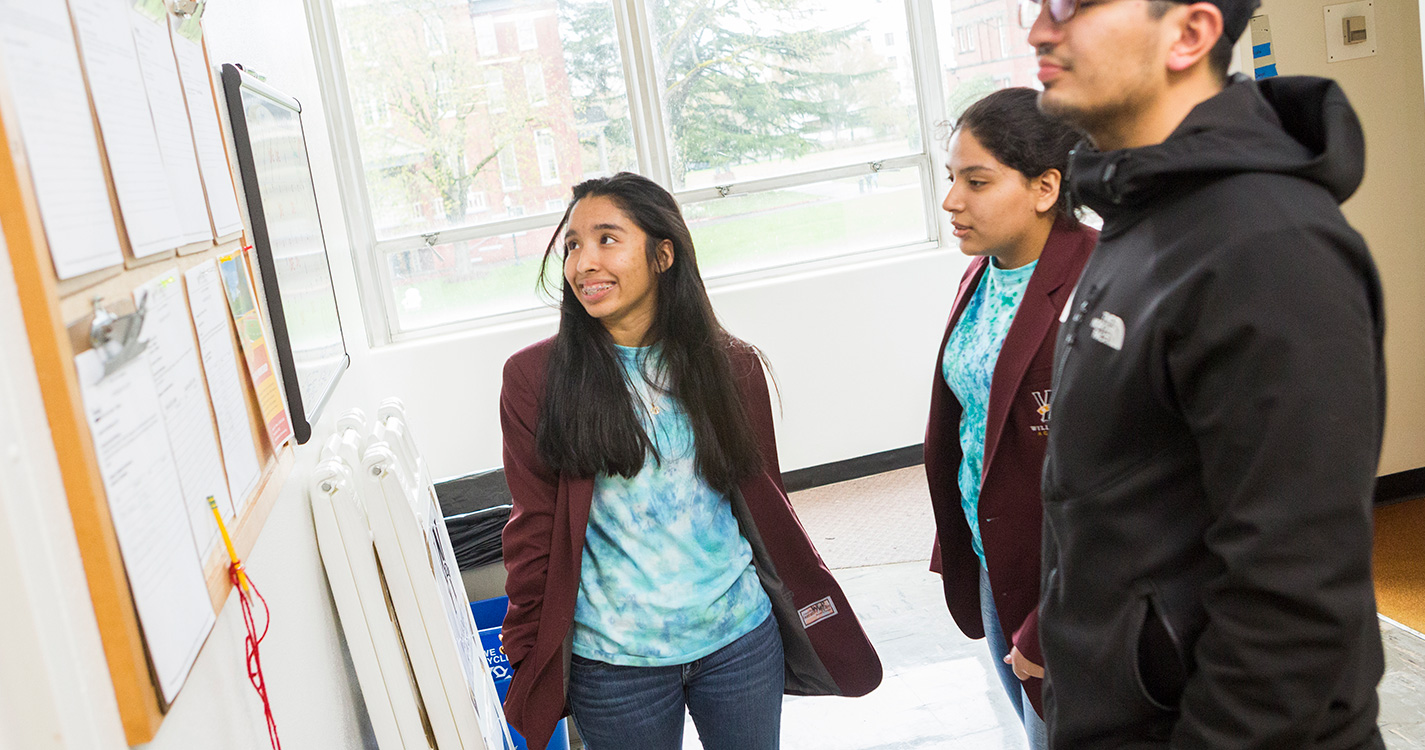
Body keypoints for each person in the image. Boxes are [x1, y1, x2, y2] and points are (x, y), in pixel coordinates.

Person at [1022, 0, 1387, 746]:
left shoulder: (1266, 245)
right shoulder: (1139, 214)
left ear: (1188, 35)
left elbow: (1294, 598)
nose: (1037, 29)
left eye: (1071, 4)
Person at [497, 172, 882, 750]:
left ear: (663, 254)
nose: (582, 263)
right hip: (613, 663)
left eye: (607, 239)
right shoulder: (535, 380)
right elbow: (534, 530)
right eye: (572, 245)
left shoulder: (733, 366)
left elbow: (763, 507)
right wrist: (528, 649)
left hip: (739, 642)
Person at [924, 87, 1096, 750]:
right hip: (995, 555)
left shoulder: (1096, 280)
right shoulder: (982, 273)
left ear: (1045, 186)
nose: (951, 201)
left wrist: (1049, 624)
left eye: (976, 181)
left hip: (1069, 586)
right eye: (950, 179)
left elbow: (1112, 490)